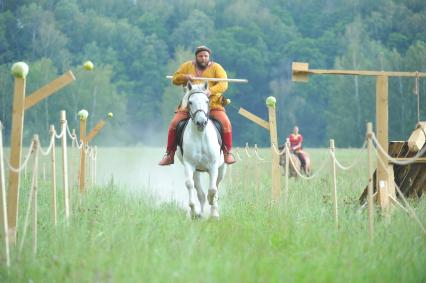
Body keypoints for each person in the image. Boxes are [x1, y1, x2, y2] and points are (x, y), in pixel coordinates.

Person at [159, 45, 236, 166]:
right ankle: (169, 154)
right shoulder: (187, 66)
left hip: (213, 104)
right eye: (200, 56)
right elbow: (175, 79)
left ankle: (227, 153)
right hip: (190, 105)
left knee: (226, 123)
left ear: (209, 57)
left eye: (206, 56)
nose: (203, 58)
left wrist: (210, 90)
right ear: (196, 57)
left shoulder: (217, 67)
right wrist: (185, 77)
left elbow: (223, 84)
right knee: (174, 123)